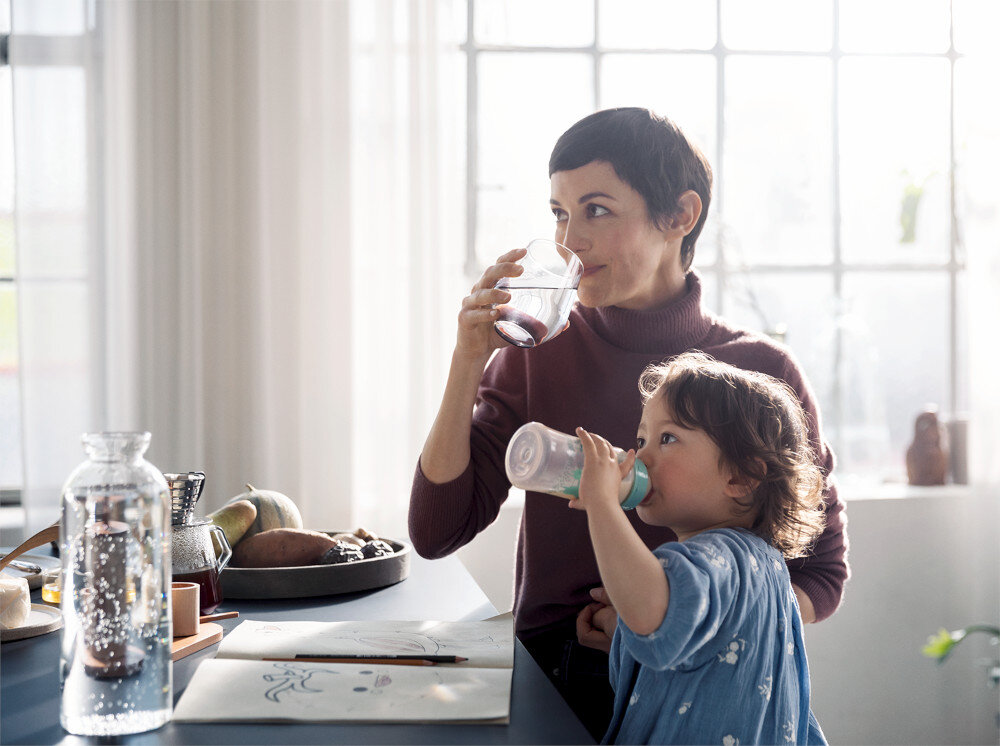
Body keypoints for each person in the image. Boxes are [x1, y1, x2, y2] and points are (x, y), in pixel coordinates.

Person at [408, 107, 849, 740]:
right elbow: (437, 530)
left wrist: (678, 622)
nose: (568, 242)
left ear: (680, 216)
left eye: (596, 210)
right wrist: (468, 360)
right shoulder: (537, 352)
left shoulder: (758, 373)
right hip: (553, 673)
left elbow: (820, 574)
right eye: (560, 213)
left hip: (694, 688)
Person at [574, 351, 828, 745]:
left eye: (668, 438)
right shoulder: (766, 566)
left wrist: (603, 505)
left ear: (742, 478)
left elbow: (651, 615)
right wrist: (619, 626)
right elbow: (695, 642)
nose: (640, 456)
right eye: (641, 439)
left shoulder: (717, 556)